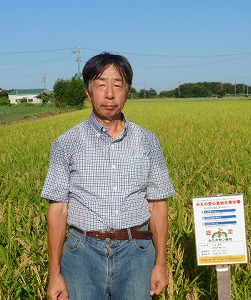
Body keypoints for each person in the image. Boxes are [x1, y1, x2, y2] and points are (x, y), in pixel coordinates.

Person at [41, 52, 175, 300]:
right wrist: (55, 273)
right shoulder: (66, 143)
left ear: (128, 91)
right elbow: (57, 209)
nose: (110, 94)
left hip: (136, 250)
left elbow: (157, 205)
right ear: (88, 91)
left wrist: (161, 264)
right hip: (82, 252)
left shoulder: (147, 141)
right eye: (101, 84)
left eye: (118, 84)